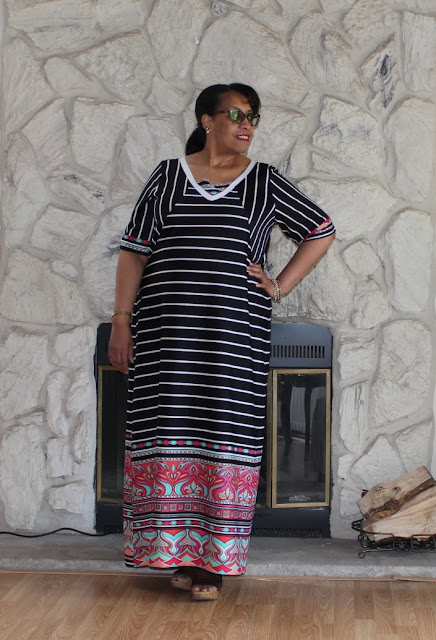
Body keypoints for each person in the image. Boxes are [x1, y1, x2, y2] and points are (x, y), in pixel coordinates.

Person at [109, 83, 335, 601]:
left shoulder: (265, 182)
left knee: (224, 435)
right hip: (166, 334)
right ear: (207, 121)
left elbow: (320, 230)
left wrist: (279, 284)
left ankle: (212, 563)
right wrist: (121, 322)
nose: (246, 124)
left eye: (252, 116)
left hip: (233, 336)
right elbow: (135, 251)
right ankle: (176, 554)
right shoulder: (167, 176)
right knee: (168, 429)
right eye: (235, 114)